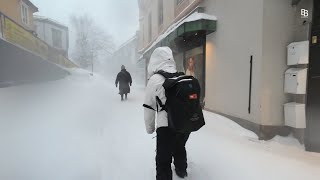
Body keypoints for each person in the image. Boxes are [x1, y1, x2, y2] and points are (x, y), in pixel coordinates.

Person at [144, 47, 190, 180]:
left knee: (163, 159)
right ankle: (182, 170)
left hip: (166, 126)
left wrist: (150, 128)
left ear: (154, 60)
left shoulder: (155, 80)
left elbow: (149, 107)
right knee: (179, 147)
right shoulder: (180, 75)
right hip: (183, 124)